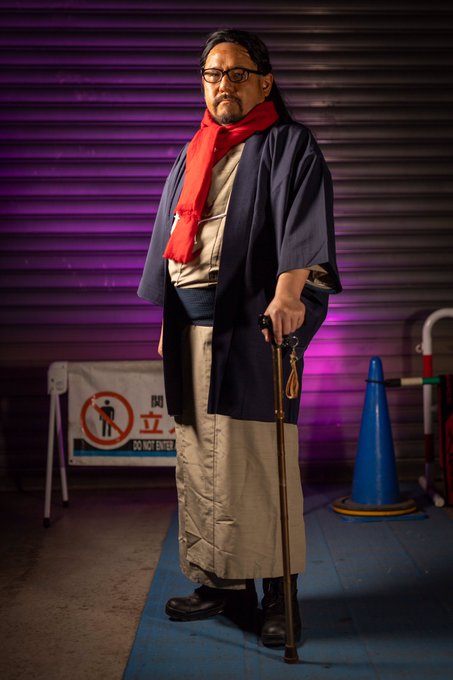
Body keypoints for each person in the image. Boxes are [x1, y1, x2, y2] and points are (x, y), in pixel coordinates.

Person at [138, 28, 342, 647]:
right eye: (211, 74)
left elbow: (303, 224)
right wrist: (167, 322)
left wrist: (289, 295)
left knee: (257, 458)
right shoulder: (194, 150)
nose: (222, 84)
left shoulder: (288, 144)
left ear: (265, 81)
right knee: (200, 456)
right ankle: (221, 582)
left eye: (235, 73)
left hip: (253, 322)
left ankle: (280, 592)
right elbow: (176, 245)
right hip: (192, 325)